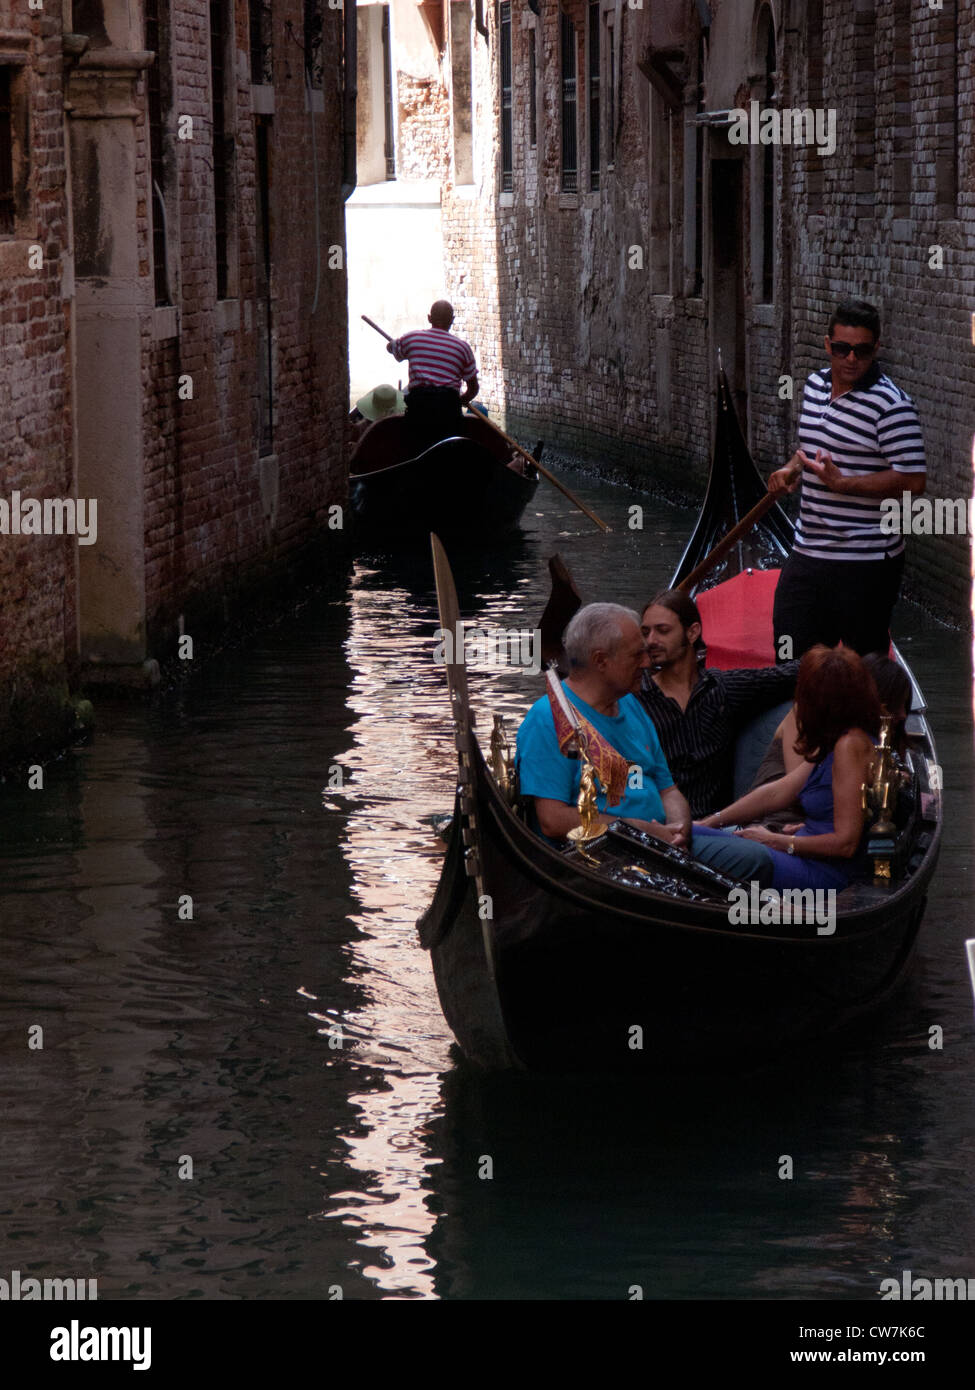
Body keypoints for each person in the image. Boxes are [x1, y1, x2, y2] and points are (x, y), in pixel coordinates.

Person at [515, 603, 772, 885]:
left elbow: (668, 789)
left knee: (755, 860)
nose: (648, 663)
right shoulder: (548, 719)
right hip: (605, 855)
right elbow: (552, 820)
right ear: (601, 661)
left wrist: (678, 830)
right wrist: (634, 831)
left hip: (661, 842)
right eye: (637, 655)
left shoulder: (629, 703)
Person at [768, 298, 926, 659]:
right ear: (828, 345)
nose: (851, 359)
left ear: (875, 349)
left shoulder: (891, 406)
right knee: (791, 658)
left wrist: (845, 485)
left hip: (866, 561)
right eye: (842, 349)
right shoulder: (813, 386)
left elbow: (914, 481)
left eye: (861, 350)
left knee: (863, 669)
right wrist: (792, 468)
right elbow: (810, 447)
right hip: (808, 551)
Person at [697, 645, 881, 891]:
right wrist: (709, 822)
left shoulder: (849, 746)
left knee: (695, 843)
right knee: (690, 832)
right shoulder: (835, 742)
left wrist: (778, 841)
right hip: (801, 854)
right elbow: (776, 793)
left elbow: (845, 844)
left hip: (823, 873)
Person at [637, 589, 799, 818]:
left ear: (692, 632)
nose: (651, 641)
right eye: (645, 632)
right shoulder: (635, 697)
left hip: (717, 825)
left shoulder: (723, 688)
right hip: (655, 824)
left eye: (662, 631)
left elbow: (790, 673)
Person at [387, 300, 479, 438]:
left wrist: (393, 345)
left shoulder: (412, 338)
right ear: (452, 320)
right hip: (449, 410)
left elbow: (391, 348)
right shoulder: (463, 348)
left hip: (418, 409)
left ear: (429, 318)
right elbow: (473, 389)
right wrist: (460, 400)